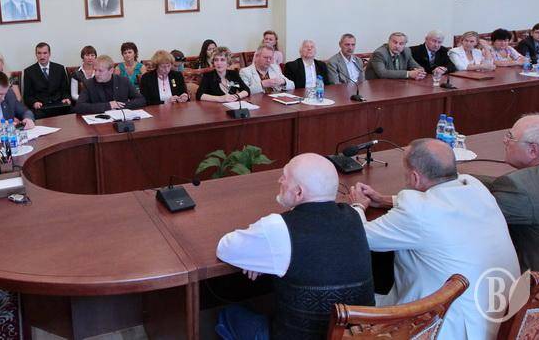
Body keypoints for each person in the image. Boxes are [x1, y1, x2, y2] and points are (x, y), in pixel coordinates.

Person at [349, 138, 520, 340]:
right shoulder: (475, 187)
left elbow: (361, 238)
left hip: (453, 329)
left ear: (415, 177)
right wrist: (384, 200)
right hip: (506, 321)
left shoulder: (418, 212)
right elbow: (439, 200)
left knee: (350, 302)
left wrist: (358, 206)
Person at [216, 154, 374, 339]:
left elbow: (225, 248)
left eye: (284, 177)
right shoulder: (355, 216)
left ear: (299, 192)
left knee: (228, 313)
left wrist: (256, 257)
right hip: (359, 335)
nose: (279, 181)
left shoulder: (277, 228)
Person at [478, 114, 539, 272]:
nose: (504, 141)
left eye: (510, 137)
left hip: (530, 281)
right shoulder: (529, 183)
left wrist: (446, 178)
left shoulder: (520, 190)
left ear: (533, 150)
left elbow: (477, 215)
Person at [74, 55, 146, 114]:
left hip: (120, 119)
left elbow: (141, 100)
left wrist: (120, 105)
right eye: (95, 70)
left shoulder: (123, 81)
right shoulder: (89, 84)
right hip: (99, 121)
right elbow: (79, 107)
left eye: (100, 71)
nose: (96, 74)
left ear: (111, 71)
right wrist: (108, 105)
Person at [22, 42, 72, 119]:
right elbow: (27, 95)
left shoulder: (59, 68)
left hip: (59, 105)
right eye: (39, 53)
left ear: (49, 54)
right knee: (36, 116)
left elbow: (65, 90)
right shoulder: (29, 72)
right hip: (41, 107)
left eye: (45, 53)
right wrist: (34, 103)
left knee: (73, 112)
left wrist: (66, 98)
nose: (42, 56)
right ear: (36, 54)